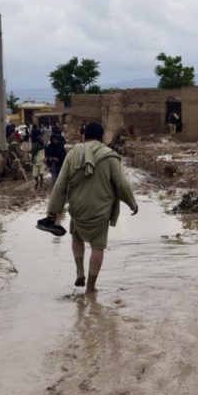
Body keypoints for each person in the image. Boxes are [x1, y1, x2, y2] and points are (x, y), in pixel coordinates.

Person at [42, 122, 138, 294]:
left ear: (84, 136)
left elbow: (60, 184)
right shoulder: (110, 156)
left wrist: (53, 212)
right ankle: (91, 287)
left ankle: (80, 271)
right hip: (100, 209)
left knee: (77, 236)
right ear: (102, 137)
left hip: (77, 207)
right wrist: (132, 203)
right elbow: (121, 184)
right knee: (97, 247)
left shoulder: (73, 154)